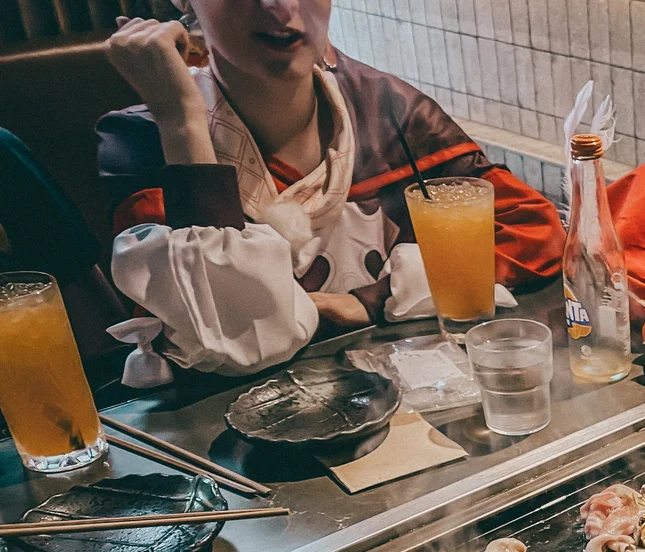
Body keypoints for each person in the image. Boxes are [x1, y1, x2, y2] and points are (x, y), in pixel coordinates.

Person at [97, 0, 564, 383]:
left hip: (408, 403)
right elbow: (227, 340)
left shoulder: (385, 107)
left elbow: (534, 230)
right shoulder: (146, 140)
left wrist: (371, 299)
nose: (279, 6)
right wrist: (181, 120)